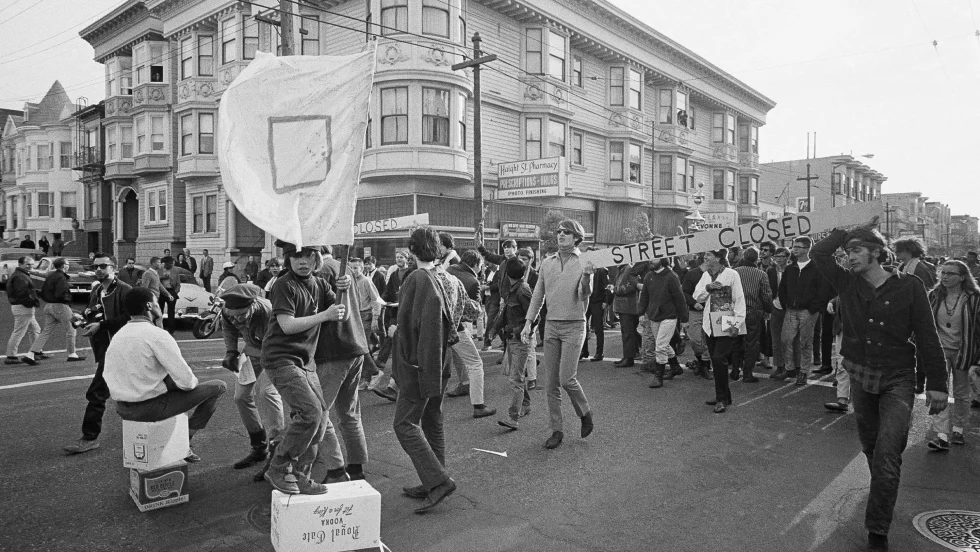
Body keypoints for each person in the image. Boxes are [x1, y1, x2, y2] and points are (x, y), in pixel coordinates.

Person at [811, 219, 948, 552]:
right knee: (873, 449)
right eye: (847, 252)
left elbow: (928, 336)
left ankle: (877, 530)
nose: (849, 257)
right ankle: (883, 490)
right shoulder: (846, 282)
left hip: (898, 378)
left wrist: (938, 384)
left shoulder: (910, 285)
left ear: (876, 252)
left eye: (856, 250)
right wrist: (845, 231)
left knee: (888, 454)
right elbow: (819, 252)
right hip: (859, 375)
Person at [105, 287, 227, 462]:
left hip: (123, 407)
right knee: (219, 386)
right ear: (149, 305)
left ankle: (174, 439)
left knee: (171, 387)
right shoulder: (157, 335)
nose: (158, 306)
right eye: (156, 302)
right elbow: (187, 382)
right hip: (149, 408)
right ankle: (187, 438)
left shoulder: (119, 335)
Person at [262, 241, 346, 495]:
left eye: (307, 255)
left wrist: (346, 291)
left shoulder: (320, 284)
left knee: (319, 421)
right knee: (310, 412)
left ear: (316, 258)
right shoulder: (283, 284)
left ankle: (299, 475)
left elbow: (342, 314)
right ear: (287, 259)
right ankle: (278, 466)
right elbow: (287, 325)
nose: (301, 261)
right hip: (281, 358)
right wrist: (324, 315)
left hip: (305, 361)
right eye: (295, 256)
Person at [393, 226, 462, 513]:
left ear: (411, 251)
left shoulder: (417, 279)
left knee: (404, 424)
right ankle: (435, 476)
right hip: (440, 359)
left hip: (421, 362)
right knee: (433, 418)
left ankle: (438, 480)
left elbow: (417, 328)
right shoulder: (445, 278)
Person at [521, 219, 595, 450]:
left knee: (566, 379)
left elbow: (585, 295)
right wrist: (528, 322)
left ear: (576, 238)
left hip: (574, 325)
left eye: (566, 232)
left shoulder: (585, 261)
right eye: (559, 231)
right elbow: (538, 295)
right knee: (551, 383)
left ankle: (585, 413)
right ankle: (557, 430)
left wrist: (586, 276)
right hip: (551, 325)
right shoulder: (547, 262)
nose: (561, 235)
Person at [63, 253, 132, 454]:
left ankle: (89, 438)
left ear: (114, 267)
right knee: (132, 393)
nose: (99, 269)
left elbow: (130, 316)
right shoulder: (97, 290)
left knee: (96, 393)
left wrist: (101, 324)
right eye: (96, 266)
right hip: (104, 350)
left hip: (119, 350)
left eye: (103, 265)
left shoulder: (124, 290)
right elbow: (91, 312)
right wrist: (82, 318)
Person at [310, 256, 369, 486]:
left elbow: (316, 312)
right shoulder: (340, 266)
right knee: (349, 412)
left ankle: (335, 469)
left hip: (333, 348)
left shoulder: (323, 269)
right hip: (354, 345)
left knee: (318, 411)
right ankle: (356, 468)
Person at [220, 284, 285, 477]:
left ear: (253, 304)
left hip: (276, 353)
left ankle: (278, 452)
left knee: (267, 393)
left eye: (242, 315)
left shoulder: (267, 311)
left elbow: (278, 341)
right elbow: (228, 329)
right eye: (234, 315)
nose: (237, 319)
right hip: (252, 351)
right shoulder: (228, 310)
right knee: (241, 397)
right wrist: (231, 351)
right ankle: (259, 447)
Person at [925, 260, 980, 451]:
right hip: (938, 351)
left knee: (961, 393)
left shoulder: (974, 298)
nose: (945, 276)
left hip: (965, 351)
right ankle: (941, 434)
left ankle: (958, 429)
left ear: (962, 277)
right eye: (943, 273)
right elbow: (924, 322)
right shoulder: (934, 295)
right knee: (938, 388)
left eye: (951, 274)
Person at [445, 248, 496, 418]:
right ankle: (478, 405)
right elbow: (473, 313)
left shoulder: (448, 270)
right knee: (475, 364)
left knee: (440, 364)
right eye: (480, 265)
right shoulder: (472, 281)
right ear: (475, 264)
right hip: (455, 327)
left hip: (436, 326)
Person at [694, 248, 746, 414]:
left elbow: (739, 299)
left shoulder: (732, 274)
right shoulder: (706, 275)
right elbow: (697, 296)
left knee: (718, 359)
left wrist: (736, 323)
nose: (705, 256)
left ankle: (721, 398)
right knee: (717, 361)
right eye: (705, 254)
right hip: (710, 324)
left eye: (708, 254)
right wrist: (707, 288)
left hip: (726, 321)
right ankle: (724, 396)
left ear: (718, 258)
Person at [775, 237, 827, 385]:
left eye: (798, 246)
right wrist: (786, 304)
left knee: (806, 343)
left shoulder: (817, 268)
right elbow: (783, 288)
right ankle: (790, 368)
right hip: (791, 310)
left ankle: (803, 372)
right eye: (793, 246)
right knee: (786, 340)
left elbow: (822, 291)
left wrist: (813, 308)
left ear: (807, 249)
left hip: (808, 311)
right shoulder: (790, 268)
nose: (794, 249)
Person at [637, 257, 689, 388]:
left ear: (663, 259)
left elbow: (680, 299)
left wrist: (684, 319)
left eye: (654, 258)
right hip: (654, 315)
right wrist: (641, 313)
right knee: (663, 344)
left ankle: (658, 376)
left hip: (669, 316)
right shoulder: (649, 276)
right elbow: (644, 296)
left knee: (660, 345)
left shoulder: (671, 277)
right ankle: (675, 367)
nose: (650, 261)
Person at [496, 256, 534, 430]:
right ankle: (525, 405)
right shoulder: (516, 288)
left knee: (515, 379)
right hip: (512, 339)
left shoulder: (522, 290)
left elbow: (534, 316)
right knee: (518, 375)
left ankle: (513, 417)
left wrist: (520, 331)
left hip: (519, 340)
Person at [30, 258, 86, 362]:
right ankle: (72, 354)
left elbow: (43, 291)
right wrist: (67, 300)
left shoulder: (50, 276)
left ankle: (31, 353)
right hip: (60, 306)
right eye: (67, 264)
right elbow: (61, 293)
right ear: (64, 265)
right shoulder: (61, 277)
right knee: (71, 329)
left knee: (46, 331)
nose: (68, 266)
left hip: (48, 306)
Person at [731, 247, 772, 384]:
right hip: (753, 311)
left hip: (733, 311)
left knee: (734, 341)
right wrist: (768, 309)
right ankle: (747, 373)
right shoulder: (761, 274)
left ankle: (735, 370)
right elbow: (766, 296)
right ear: (756, 259)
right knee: (752, 343)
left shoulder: (733, 272)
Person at [478, 239, 517, 349]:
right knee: (494, 322)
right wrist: (480, 247)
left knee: (507, 323)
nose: (506, 249)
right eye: (504, 247)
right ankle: (491, 343)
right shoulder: (503, 261)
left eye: (509, 247)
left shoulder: (517, 262)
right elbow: (488, 255)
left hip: (512, 298)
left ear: (515, 248)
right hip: (499, 298)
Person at [5, 256, 40, 365]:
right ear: (20, 264)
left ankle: (36, 351)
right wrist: (32, 303)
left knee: (35, 329)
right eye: (28, 264)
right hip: (23, 307)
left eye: (32, 264)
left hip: (21, 306)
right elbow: (23, 293)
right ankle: (11, 356)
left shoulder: (20, 275)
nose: (31, 266)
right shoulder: (20, 277)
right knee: (19, 332)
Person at [612, 261, 648, 368]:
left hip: (628, 306)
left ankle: (629, 358)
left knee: (628, 332)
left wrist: (615, 290)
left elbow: (630, 286)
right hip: (625, 306)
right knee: (628, 332)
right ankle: (628, 355)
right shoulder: (623, 270)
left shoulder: (628, 270)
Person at [681, 254, 711, 379]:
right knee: (695, 339)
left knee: (709, 340)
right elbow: (685, 292)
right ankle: (701, 361)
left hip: (712, 311)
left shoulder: (718, 274)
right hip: (696, 311)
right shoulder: (692, 274)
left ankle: (705, 365)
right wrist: (694, 303)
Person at [581, 247, 609, 362]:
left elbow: (607, 286)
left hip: (597, 302)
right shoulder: (584, 269)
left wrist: (606, 301)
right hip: (587, 301)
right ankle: (584, 351)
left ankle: (599, 353)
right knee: (583, 327)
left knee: (598, 329)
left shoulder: (601, 270)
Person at [768, 247, 790, 379]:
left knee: (788, 339)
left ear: (787, 257)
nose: (779, 259)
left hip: (789, 308)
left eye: (782, 256)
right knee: (775, 339)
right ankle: (778, 366)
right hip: (775, 307)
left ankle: (790, 367)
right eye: (777, 256)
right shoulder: (771, 271)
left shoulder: (792, 269)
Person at [157, 256, 181, 333]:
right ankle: (160, 328)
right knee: (160, 310)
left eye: (171, 263)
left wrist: (176, 292)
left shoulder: (175, 270)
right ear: (164, 263)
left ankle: (171, 329)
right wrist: (163, 277)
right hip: (162, 291)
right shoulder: (159, 270)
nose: (170, 265)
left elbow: (178, 283)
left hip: (171, 291)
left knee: (171, 311)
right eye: (169, 263)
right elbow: (156, 280)